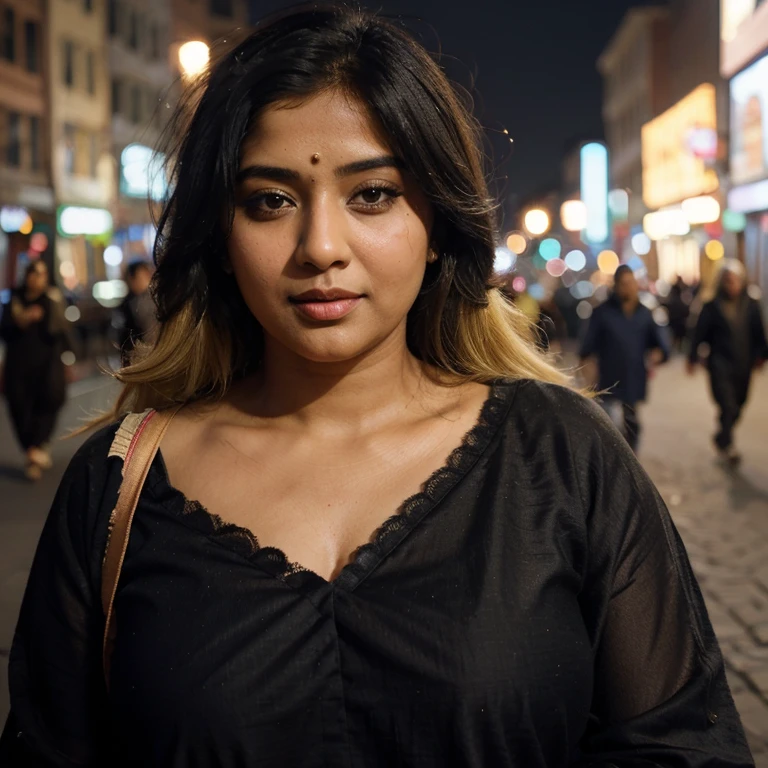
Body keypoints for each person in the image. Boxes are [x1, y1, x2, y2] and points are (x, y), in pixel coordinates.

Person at [1, 7, 753, 767]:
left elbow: (683, 743)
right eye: (271, 200)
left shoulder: (564, 458)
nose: (321, 247)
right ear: (220, 237)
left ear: (437, 224)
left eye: (373, 195)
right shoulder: (115, 488)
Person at [579, 264, 670, 452]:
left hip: (634, 376)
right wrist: (586, 366)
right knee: (610, 424)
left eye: (631, 283)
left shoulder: (644, 314)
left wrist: (659, 354)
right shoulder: (602, 313)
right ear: (616, 286)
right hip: (608, 378)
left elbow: (659, 343)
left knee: (632, 423)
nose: (628, 287)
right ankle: (613, 461)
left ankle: (631, 460)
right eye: (623, 284)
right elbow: (588, 345)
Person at [687, 259, 768, 463]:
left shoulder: (751, 304)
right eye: (727, 281)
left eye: (734, 280)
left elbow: (759, 332)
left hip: (744, 363)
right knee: (727, 404)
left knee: (739, 404)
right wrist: (692, 357)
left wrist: (762, 355)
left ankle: (722, 436)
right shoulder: (712, 305)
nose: (731, 285)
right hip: (719, 363)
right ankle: (728, 443)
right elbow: (699, 333)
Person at [0, 261, 71, 481]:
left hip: (47, 365)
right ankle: (33, 448)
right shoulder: (14, 299)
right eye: (34, 273)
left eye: (42, 274)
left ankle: (36, 447)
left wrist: (70, 357)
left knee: (50, 400)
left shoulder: (52, 298)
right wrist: (21, 320)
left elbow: (62, 331)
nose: (38, 278)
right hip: (18, 365)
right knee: (19, 407)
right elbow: (4, 329)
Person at [113, 260, 157, 365]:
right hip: (140, 355)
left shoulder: (152, 299)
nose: (148, 279)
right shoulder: (129, 305)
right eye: (143, 275)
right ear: (131, 279)